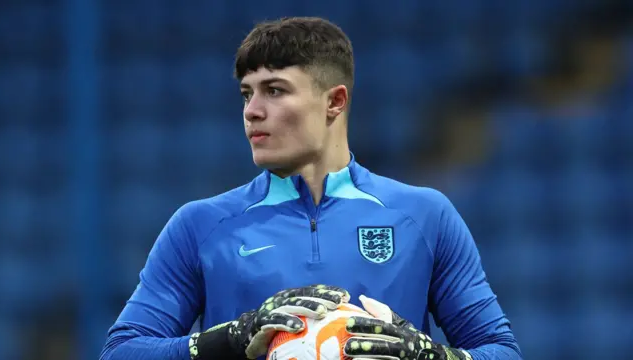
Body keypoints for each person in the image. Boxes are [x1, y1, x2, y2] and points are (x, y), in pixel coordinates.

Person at [99, 16, 522, 360]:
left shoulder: (425, 216)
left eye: (275, 91)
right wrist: (224, 340)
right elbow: (122, 351)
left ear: (334, 102)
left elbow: (502, 352)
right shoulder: (200, 224)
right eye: (247, 94)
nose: (252, 112)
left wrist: (431, 357)